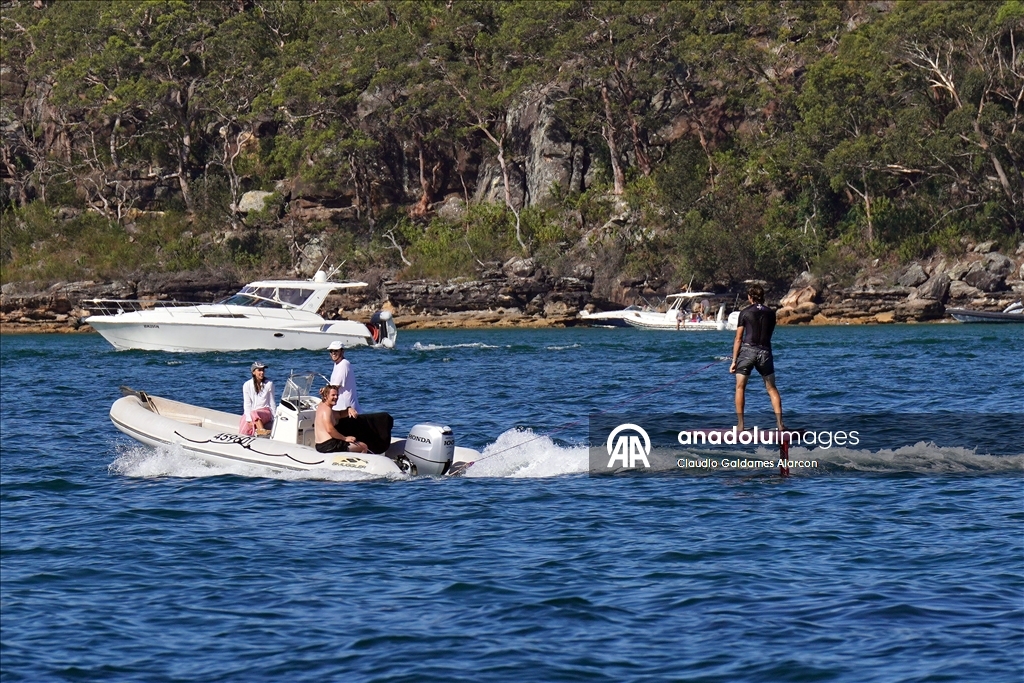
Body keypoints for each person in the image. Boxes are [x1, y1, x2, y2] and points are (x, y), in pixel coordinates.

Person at [729, 284, 784, 432]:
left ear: (750, 297)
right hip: (765, 351)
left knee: (740, 387)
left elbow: (738, 338)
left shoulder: (745, 312)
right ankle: (780, 425)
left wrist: (734, 361)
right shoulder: (771, 313)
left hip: (747, 351)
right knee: (772, 388)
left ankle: (741, 425)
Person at [314, 385, 368, 453]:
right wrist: (345, 438)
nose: (336, 397)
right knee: (363, 447)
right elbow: (329, 430)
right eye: (333, 395)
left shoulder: (322, 405)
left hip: (320, 445)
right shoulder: (327, 410)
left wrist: (349, 409)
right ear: (326, 396)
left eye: (337, 395)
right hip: (329, 445)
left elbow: (339, 414)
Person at [239, 361, 276, 436]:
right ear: (253, 372)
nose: (262, 372)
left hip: (266, 412)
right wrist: (249, 419)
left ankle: (262, 432)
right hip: (253, 413)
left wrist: (274, 418)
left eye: (263, 370)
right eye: (259, 370)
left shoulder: (269, 384)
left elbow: (272, 402)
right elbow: (247, 404)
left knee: (254, 413)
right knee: (244, 422)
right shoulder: (246, 385)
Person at [327, 340, 360, 419]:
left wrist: (325, 391)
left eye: (336, 351)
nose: (333, 353)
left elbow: (335, 387)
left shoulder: (344, 364)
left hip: (347, 411)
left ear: (342, 352)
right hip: (340, 409)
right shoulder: (337, 364)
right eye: (331, 351)